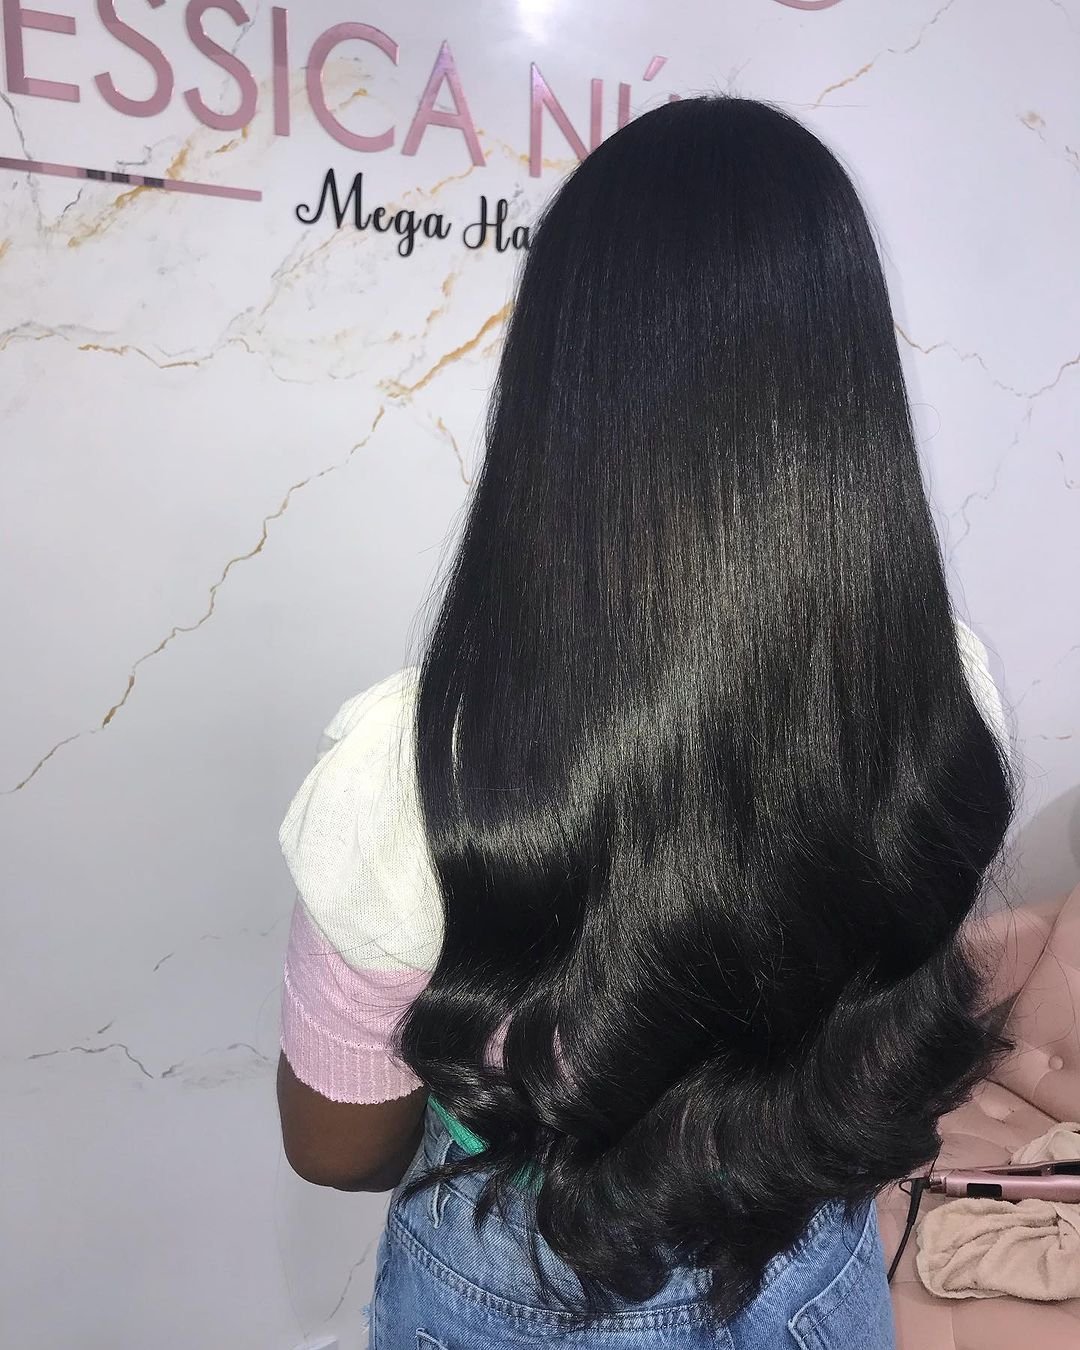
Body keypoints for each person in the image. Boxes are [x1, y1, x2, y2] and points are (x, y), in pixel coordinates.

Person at [275, 94, 1016, 1349]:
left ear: (558, 389)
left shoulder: (408, 769)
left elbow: (336, 1147)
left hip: (513, 1284)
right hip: (811, 1260)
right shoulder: (941, 687)